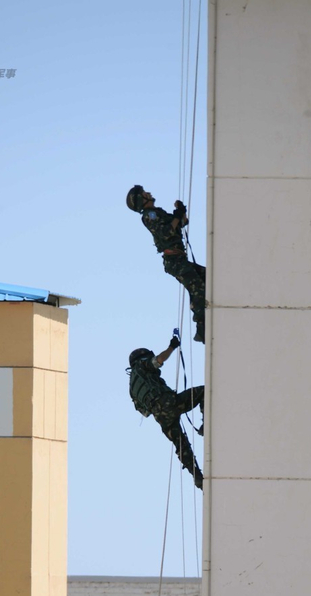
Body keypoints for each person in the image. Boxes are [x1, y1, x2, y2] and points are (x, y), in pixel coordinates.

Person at [126, 185, 206, 344]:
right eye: (144, 193)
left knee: (206, 277)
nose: (148, 193)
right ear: (142, 200)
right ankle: (201, 327)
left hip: (179, 258)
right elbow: (166, 232)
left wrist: (181, 212)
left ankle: (200, 312)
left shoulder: (158, 212)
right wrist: (177, 216)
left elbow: (182, 223)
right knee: (197, 286)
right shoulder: (149, 216)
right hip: (173, 260)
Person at [128, 336, 204, 490]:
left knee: (181, 446)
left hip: (160, 417)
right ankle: (206, 425)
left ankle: (197, 476)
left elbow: (144, 412)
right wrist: (172, 347)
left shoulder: (132, 387)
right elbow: (159, 360)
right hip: (169, 402)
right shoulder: (142, 366)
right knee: (203, 392)